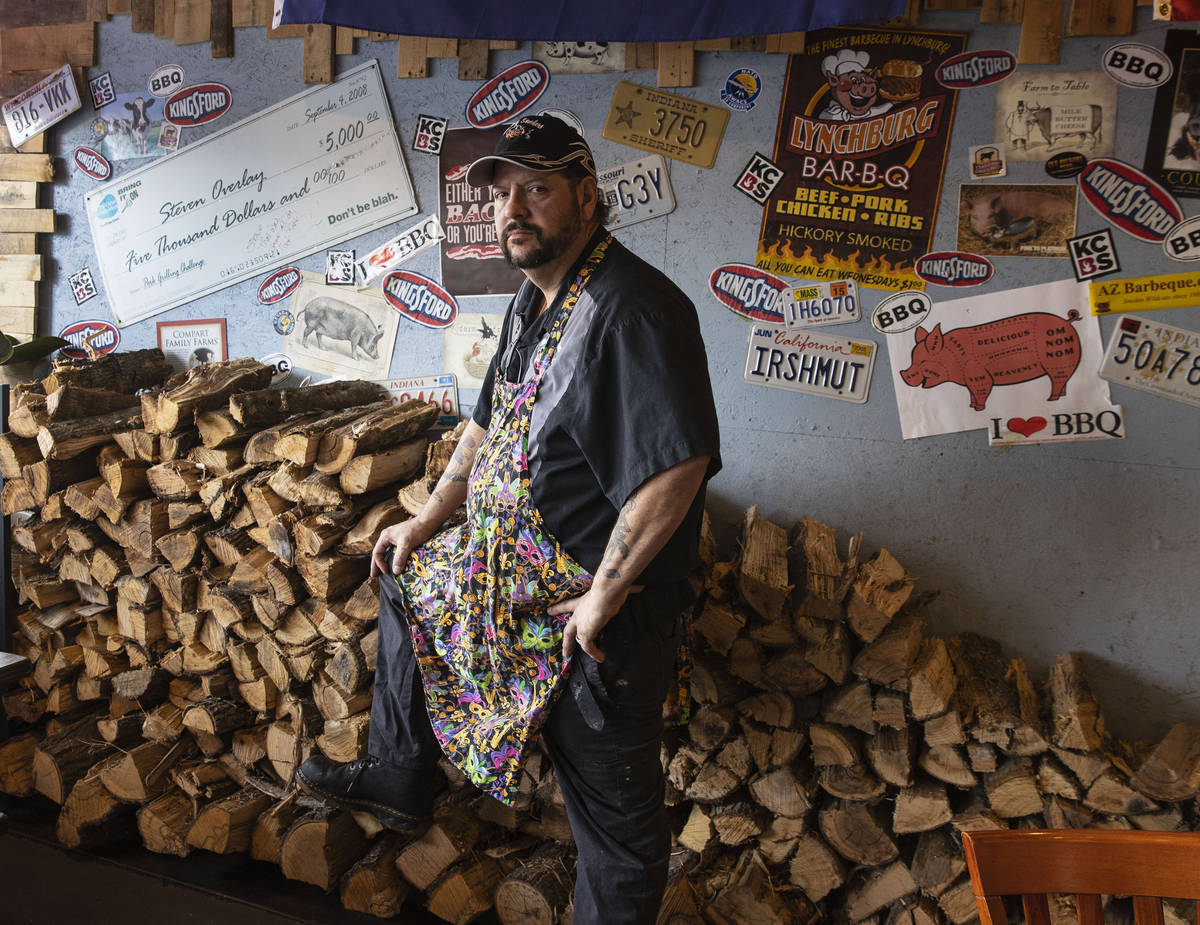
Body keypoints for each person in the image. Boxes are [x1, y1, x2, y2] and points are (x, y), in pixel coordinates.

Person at [297, 114, 721, 925]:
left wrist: (603, 594)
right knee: (405, 576)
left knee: (616, 829)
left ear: (587, 197)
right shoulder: (539, 299)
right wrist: (423, 522)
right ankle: (398, 771)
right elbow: (487, 425)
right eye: (501, 193)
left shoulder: (632, 309)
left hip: (598, 621)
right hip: (513, 584)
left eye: (537, 188)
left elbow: (678, 467)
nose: (512, 209)